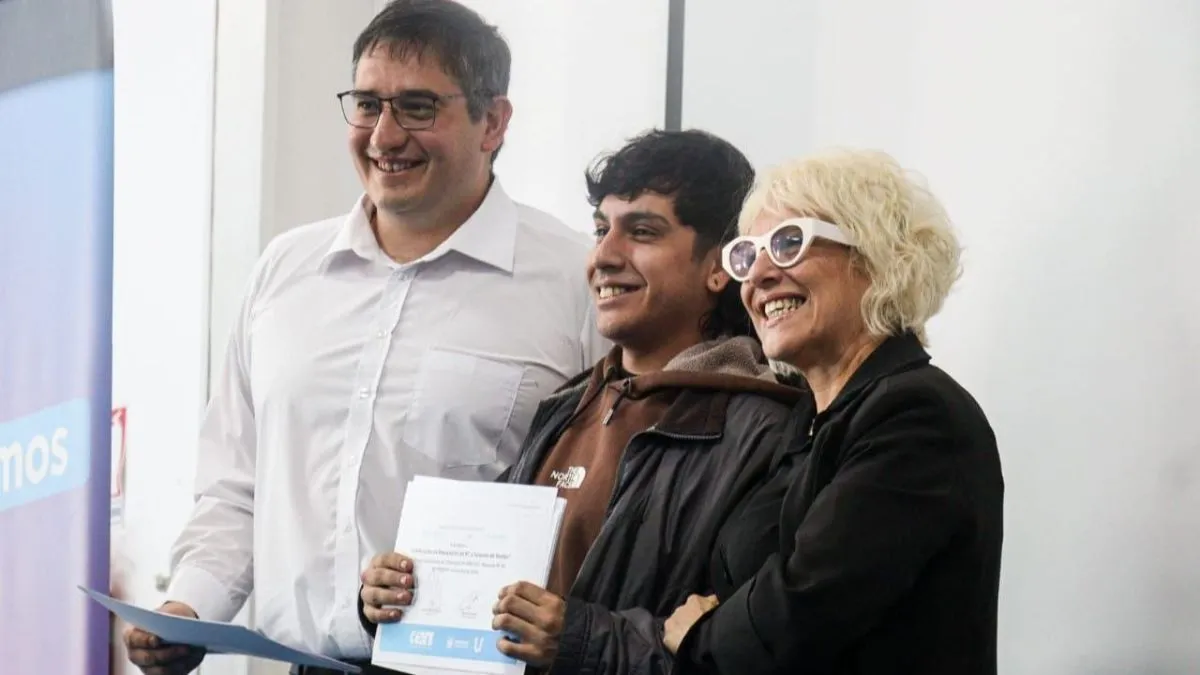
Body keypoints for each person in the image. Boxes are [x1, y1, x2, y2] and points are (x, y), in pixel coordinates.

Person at [122, 2, 606, 674]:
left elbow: (609, 499)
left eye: (417, 107)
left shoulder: (576, 279)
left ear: (493, 122)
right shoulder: (285, 271)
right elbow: (237, 487)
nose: (384, 134)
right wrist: (189, 608)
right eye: (367, 104)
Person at [358, 129, 806, 673]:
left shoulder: (767, 431)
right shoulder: (566, 407)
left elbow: (740, 650)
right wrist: (398, 598)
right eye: (600, 229)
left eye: (642, 231)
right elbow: (491, 606)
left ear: (720, 266)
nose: (603, 256)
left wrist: (576, 641)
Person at [662, 148, 1004, 674]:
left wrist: (697, 637)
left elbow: (799, 615)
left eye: (789, 242)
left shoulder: (918, 415)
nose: (758, 276)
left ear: (876, 256)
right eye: (747, 255)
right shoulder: (808, 420)